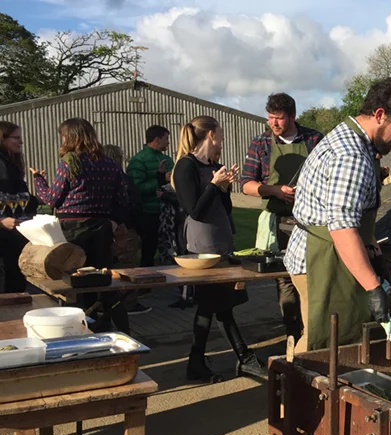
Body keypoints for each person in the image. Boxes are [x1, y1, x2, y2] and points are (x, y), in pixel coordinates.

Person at [284, 77, 391, 353]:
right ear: (380, 115)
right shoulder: (352, 155)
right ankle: (294, 394)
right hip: (322, 260)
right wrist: (373, 288)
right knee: (323, 347)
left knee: (330, 343)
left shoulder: (352, 139)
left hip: (329, 255)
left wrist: (372, 250)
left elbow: (352, 214)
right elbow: (342, 227)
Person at [172, 115, 266, 382]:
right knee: (215, 304)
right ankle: (241, 359)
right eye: (221, 136)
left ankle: (202, 362)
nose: (222, 142)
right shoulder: (185, 167)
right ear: (211, 135)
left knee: (218, 305)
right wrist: (214, 185)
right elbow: (195, 211)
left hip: (222, 241)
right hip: (201, 246)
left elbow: (224, 209)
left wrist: (224, 188)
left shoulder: (215, 166)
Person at [31, 118, 130, 333]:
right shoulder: (110, 163)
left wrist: (38, 180)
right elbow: (122, 199)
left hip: (73, 231)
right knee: (103, 283)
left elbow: (52, 200)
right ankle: (123, 331)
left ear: (70, 137)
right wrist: (112, 221)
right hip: (102, 229)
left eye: (63, 136)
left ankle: (81, 331)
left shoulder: (69, 162)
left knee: (74, 285)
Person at [241, 93, 322, 342]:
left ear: (293, 116)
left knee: (312, 276)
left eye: (279, 118)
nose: (274, 123)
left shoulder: (314, 139)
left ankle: (314, 332)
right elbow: (246, 184)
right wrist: (273, 190)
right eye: (270, 118)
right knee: (284, 279)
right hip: (278, 222)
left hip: (310, 222)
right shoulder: (261, 143)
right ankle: (292, 333)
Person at [126, 125, 173, 267]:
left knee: (171, 250)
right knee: (148, 251)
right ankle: (145, 284)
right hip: (148, 212)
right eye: (166, 139)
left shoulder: (168, 159)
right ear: (157, 139)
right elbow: (136, 188)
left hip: (167, 212)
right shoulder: (138, 161)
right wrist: (161, 180)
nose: (168, 142)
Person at [0, 121, 36, 293]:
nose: (20, 142)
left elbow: (19, 195)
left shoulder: (11, 164)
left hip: (16, 233)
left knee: (16, 280)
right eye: (16, 138)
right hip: (4, 232)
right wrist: (0, 221)